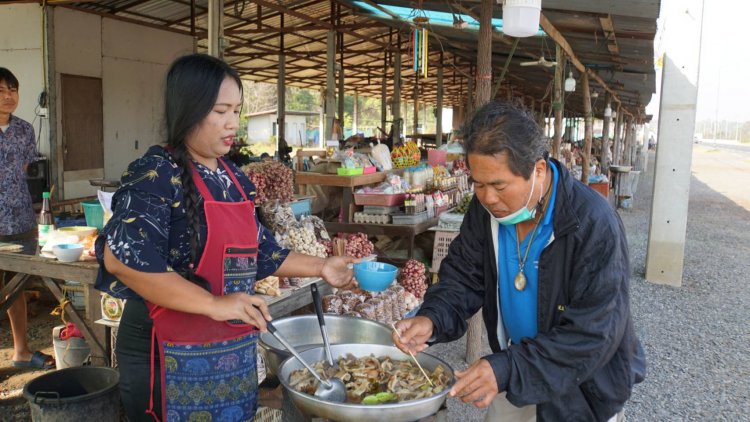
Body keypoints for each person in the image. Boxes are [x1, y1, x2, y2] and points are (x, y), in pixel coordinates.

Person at [95, 54, 357, 422]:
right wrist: (215, 303)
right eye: (220, 111)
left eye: (236, 110)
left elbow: (263, 252)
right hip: (165, 353)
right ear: (189, 109)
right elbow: (121, 259)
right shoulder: (156, 173)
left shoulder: (234, 178)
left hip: (229, 351)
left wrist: (322, 266)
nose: (232, 123)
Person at [393, 101, 645, 421]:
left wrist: (507, 368)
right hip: (517, 375)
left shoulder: (593, 223)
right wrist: (432, 318)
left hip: (581, 389)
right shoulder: (486, 212)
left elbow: (594, 332)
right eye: (478, 184)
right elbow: (463, 276)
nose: (487, 198)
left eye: (499, 185)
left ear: (538, 170)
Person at [0, 67, 55, 370]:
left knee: (15, 288)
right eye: (1, 91)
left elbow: (22, 171)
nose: (9, 96)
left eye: (13, 90)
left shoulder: (24, 129)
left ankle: (20, 350)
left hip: (20, 220)